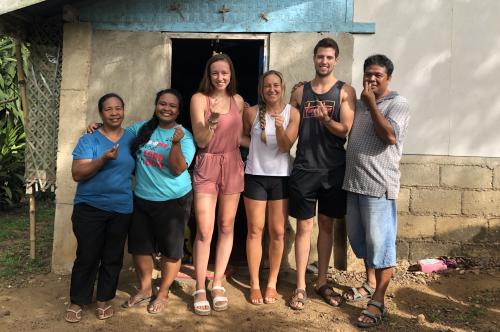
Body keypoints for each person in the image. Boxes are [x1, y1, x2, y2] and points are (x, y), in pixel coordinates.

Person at [287, 38, 356, 310]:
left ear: (335, 60)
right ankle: (301, 286)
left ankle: (322, 280)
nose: (324, 62)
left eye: (329, 57)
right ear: (314, 58)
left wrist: (327, 119)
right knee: (304, 226)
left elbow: (345, 129)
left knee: (326, 225)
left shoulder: (344, 91)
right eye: (319, 57)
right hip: (304, 167)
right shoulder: (299, 92)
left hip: (333, 169)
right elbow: (290, 127)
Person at [342, 54, 410, 328]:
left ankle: (379, 300)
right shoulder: (358, 104)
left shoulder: (398, 104)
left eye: (377, 75)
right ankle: (370, 283)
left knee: (381, 247)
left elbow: (390, 136)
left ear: (388, 78)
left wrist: (371, 105)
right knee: (362, 242)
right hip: (353, 184)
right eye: (368, 74)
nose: (371, 79)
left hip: (378, 187)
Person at [124, 88, 196, 314]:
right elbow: (115, 136)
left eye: (172, 106)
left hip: (173, 200)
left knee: (171, 250)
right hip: (142, 198)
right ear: (156, 105)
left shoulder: (184, 136)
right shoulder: (141, 129)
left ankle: (163, 291)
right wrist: (96, 128)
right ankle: (146, 289)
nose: (167, 108)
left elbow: (177, 170)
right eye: (163, 104)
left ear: (178, 111)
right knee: (140, 247)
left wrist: (175, 144)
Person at [66, 93, 135, 323]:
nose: (114, 113)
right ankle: (77, 300)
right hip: (90, 207)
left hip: (121, 208)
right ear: (101, 113)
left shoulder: (132, 138)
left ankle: (104, 299)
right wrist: (103, 159)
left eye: (118, 108)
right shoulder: (89, 140)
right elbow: (77, 174)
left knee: (113, 256)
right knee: (87, 255)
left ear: (124, 110)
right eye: (109, 109)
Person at [190, 53, 247, 315]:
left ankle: (218, 281)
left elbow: (244, 136)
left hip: (233, 163)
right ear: (208, 75)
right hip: (207, 164)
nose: (220, 77)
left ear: (231, 74)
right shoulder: (199, 99)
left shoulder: (238, 100)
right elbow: (201, 140)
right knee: (204, 229)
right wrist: (212, 119)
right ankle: (200, 286)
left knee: (226, 225)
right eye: (215, 73)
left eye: (225, 73)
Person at [243, 70, 300, 305]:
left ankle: (272, 283)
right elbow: (241, 138)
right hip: (255, 175)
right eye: (267, 86)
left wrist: (278, 129)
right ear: (261, 89)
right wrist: (256, 147)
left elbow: (286, 147)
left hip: (281, 178)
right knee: (255, 230)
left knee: (277, 231)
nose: (272, 89)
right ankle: (255, 284)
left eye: (276, 85)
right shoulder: (251, 113)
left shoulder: (292, 114)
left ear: (283, 88)